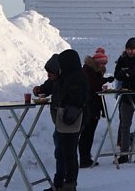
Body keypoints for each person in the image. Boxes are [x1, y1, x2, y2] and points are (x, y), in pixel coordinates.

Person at [48, 49, 88, 191]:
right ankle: (61, 183)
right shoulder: (70, 75)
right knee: (64, 152)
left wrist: (64, 107)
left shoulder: (74, 77)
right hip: (70, 119)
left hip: (71, 119)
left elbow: (76, 99)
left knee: (68, 153)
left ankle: (69, 184)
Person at [33, 54, 64, 191]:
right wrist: (38, 90)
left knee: (62, 151)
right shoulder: (53, 80)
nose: (48, 76)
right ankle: (62, 183)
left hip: (67, 120)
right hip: (58, 119)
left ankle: (61, 183)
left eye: (50, 73)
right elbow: (45, 89)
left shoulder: (66, 80)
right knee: (61, 149)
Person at [79, 47, 112, 168]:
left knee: (89, 132)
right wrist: (102, 81)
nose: (103, 66)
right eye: (102, 63)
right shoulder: (88, 70)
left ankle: (86, 157)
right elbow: (92, 85)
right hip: (89, 104)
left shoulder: (92, 69)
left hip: (93, 104)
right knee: (87, 132)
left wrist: (104, 80)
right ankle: (84, 158)